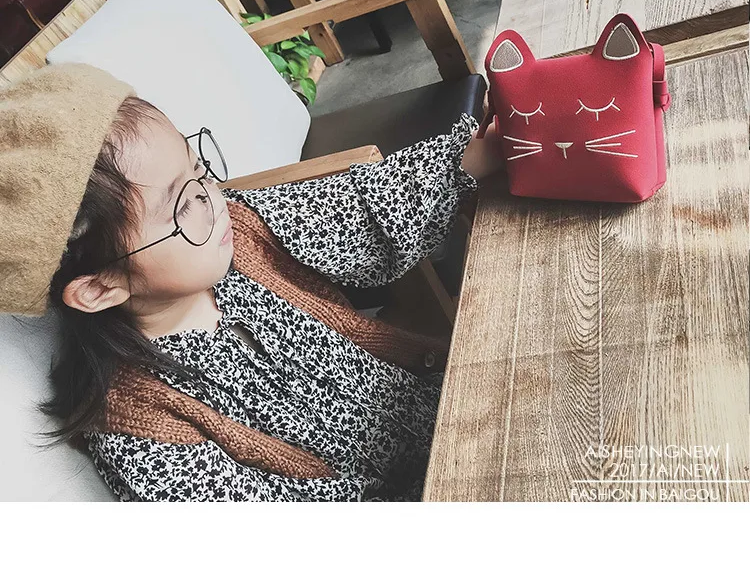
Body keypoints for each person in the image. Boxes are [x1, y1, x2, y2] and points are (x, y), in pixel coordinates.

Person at [0, 63, 503, 501]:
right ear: (99, 288)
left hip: (456, 408)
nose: (213, 198)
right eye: (182, 205)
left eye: (199, 169)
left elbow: (362, 208)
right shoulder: (141, 428)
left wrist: (483, 153)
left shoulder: (239, 233)